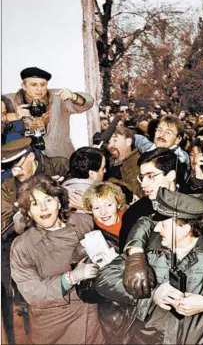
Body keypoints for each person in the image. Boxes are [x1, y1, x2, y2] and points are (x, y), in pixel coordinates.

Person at [95, 189, 203, 344]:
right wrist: (152, 293)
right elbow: (104, 279)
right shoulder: (148, 247)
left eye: (163, 224)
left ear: (185, 229)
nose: (156, 229)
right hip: (148, 340)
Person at [10, 175, 104, 344]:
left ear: (59, 202)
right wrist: (71, 278)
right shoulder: (23, 247)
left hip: (94, 320)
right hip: (55, 326)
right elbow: (34, 293)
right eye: (35, 204)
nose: (43, 208)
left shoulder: (84, 223)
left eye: (48, 200)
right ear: (28, 211)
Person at [3, 67, 94, 158]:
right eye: (34, 85)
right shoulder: (9, 100)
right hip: (27, 161)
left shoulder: (58, 97)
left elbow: (88, 102)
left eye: (43, 85)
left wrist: (73, 96)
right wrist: (15, 116)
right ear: (23, 86)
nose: (39, 89)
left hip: (61, 156)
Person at [2, 137, 69, 229]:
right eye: (11, 170)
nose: (14, 174)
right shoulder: (7, 187)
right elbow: (5, 225)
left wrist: (58, 189)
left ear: (31, 156)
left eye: (18, 168)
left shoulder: (59, 166)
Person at [107, 126, 141, 197]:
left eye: (115, 140)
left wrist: (111, 181)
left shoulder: (136, 163)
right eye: (109, 142)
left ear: (128, 142)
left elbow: (137, 192)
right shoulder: (109, 161)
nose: (110, 145)